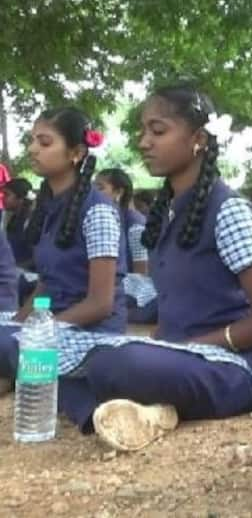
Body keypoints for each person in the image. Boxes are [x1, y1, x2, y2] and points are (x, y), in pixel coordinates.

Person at [38, 85, 252, 451]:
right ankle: (127, 415)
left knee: (116, 363)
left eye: (158, 131)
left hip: (230, 366)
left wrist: (187, 346)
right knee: (61, 365)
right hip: (178, 357)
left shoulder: (229, 211)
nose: (143, 142)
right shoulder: (170, 211)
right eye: (142, 131)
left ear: (198, 139)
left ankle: (122, 406)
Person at [0, 107, 127, 391]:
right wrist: (17, 322)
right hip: (52, 324)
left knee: (7, 346)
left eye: (44, 143)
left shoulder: (98, 212)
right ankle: (13, 370)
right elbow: (47, 286)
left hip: (91, 335)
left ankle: (14, 372)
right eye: (32, 140)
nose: (33, 149)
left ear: (77, 153)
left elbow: (101, 303)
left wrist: (38, 331)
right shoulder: (48, 209)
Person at [95, 168, 156, 323]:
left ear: (118, 192)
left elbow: (141, 275)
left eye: (100, 188)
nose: (94, 193)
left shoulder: (135, 226)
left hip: (136, 296)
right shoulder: (109, 218)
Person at [2, 178, 35, 268]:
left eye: (7, 195)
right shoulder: (10, 218)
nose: (3, 198)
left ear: (20, 198)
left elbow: (37, 257)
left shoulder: (31, 221)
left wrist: (14, 268)